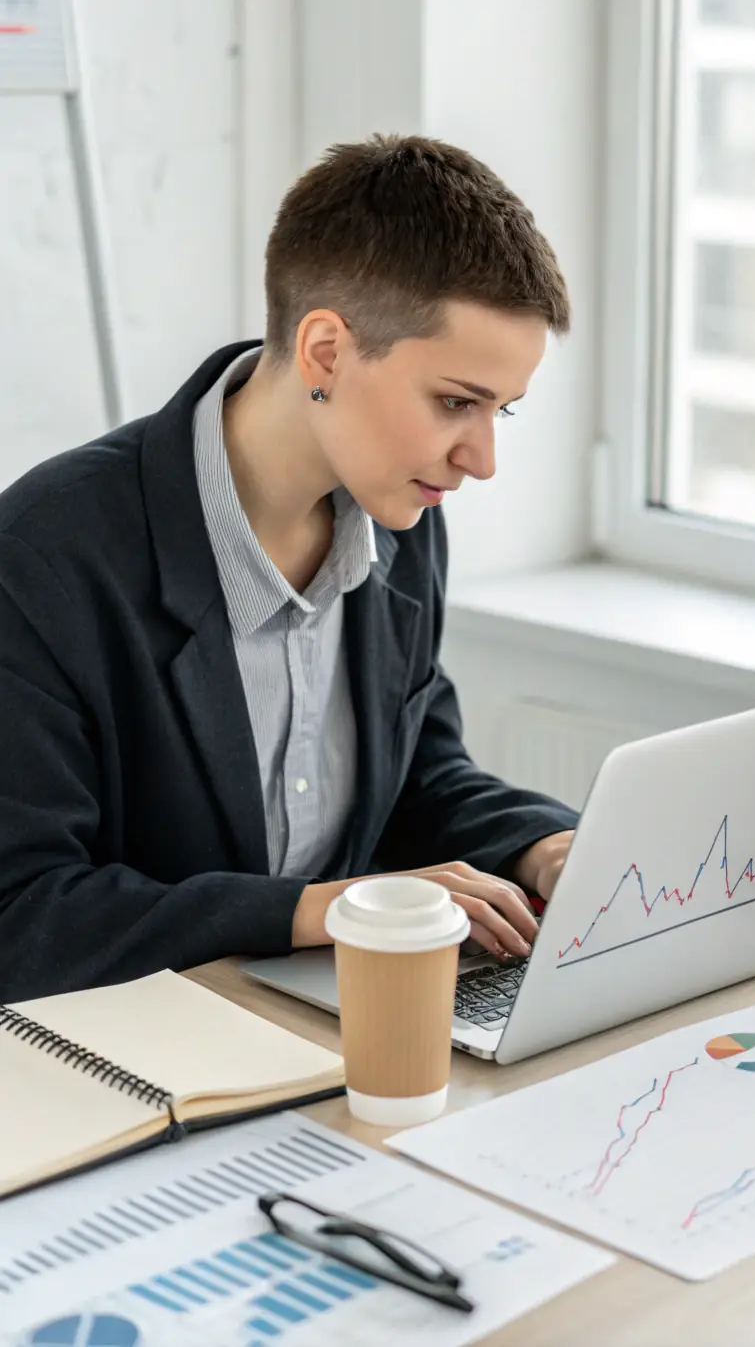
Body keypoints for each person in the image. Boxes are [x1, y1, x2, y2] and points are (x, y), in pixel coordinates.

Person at [0, 134, 579, 1002]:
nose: (483, 459)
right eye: (457, 402)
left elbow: (418, 771)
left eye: (503, 410)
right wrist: (315, 912)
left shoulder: (404, 517)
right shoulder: (43, 561)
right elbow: (25, 915)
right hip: (143, 1064)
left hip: (327, 1027)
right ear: (325, 352)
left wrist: (543, 844)